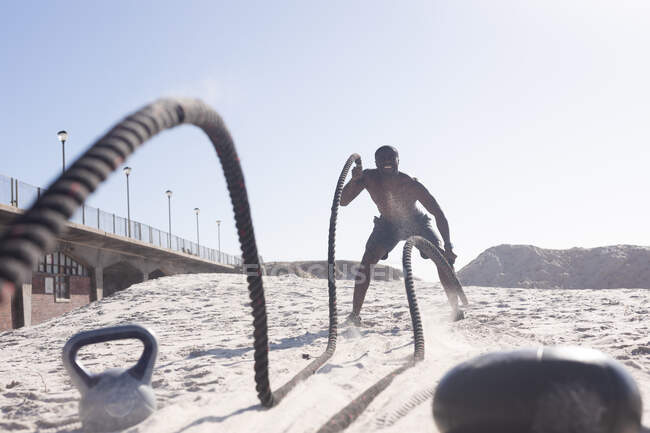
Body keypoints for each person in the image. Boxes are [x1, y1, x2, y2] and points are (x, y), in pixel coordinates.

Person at [341, 145, 461, 325]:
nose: (387, 161)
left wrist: (448, 245)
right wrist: (353, 181)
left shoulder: (411, 184)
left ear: (398, 160)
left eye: (391, 158)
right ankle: (354, 315)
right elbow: (343, 202)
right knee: (367, 261)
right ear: (376, 163)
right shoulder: (368, 178)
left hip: (416, 223)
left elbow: (438, 213)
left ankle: (455, 310)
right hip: (387, 225)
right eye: (382, 159)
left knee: (441, 257)